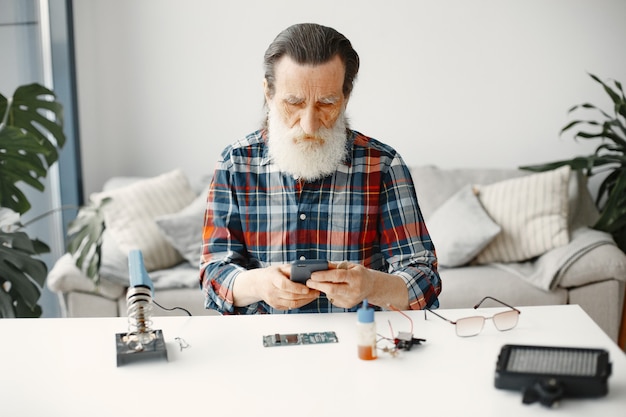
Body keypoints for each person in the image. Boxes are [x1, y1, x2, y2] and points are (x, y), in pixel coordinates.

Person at [200, 23, 440, 314]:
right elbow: (213, 274)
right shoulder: (234, 164)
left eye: (327, 103)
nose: (309, 125)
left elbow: (425, 279)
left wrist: (372, 286)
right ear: (268, 93)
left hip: (359, 345)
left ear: (346, 96)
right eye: (294, 102)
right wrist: (259, 284)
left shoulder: (383, 165)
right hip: (263, 346)